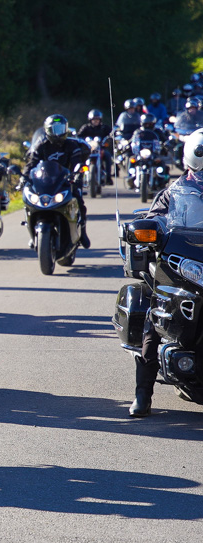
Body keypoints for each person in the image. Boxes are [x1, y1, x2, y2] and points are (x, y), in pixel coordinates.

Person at [129, 128, 203, 417]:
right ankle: (142, 395)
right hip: (182, 267)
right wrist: (151, 228)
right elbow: (153, 220)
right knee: (155, 317)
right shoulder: (173, 193)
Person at [21, 114, 91, 248]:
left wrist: (76, 173)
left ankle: (83, 233)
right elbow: (32, 163)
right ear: (48, 130)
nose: (58, 133)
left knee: (79, 201)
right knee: (31, 203)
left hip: (69, 180)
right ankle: (33, 233)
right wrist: (24, 177)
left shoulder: (72, 145)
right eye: (55, 129)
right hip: (47, 181)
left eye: (61, 128)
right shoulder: (42, 145)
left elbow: (77, 162)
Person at [77, 109, 114, 185]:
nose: (96, 121)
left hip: (101, 149)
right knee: (78, 158)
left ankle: (108, 178)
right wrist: (80, 139)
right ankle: (78, 178)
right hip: (88, 149)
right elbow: (79, 136)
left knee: (107, 156)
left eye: (97, 119)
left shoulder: (104, 127)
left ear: (100, 120)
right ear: (90, 120)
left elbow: (111, 134)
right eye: (94, 119)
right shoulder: (85, 127)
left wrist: (109, 138)